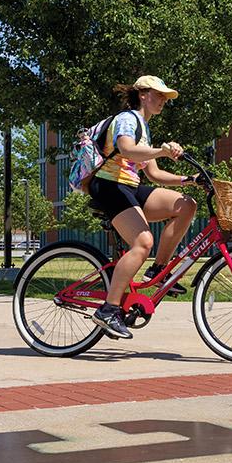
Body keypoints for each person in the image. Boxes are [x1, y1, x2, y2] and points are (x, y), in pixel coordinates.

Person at [87, 75, 199, 339]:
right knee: (143, 242)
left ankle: (159, 270)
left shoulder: (144, 128)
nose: (163, 100)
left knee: (186, 205)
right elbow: (126, 150)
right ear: (142, 94)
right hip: (109, 185)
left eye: (165, 97)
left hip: (130, 186)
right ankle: (108, 310)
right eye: (159, 95)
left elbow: (155, 175)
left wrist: (187, 180)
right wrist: (161, 150)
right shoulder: (128, 119)